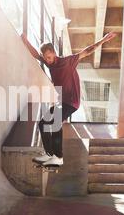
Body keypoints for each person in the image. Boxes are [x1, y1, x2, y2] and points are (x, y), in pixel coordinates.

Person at [21, 32, 117, 166]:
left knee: (55, 123)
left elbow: (87, 51)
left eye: (49, 57)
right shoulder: (49, 63)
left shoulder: (68, 61)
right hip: (62, 101)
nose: (48, 60)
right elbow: (36, 55)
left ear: (54, 53)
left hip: (72, 101)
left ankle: (58, 157)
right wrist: (25, 41)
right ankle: (49, 155)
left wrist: (103, 40)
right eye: (46, 58)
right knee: (43, 124)